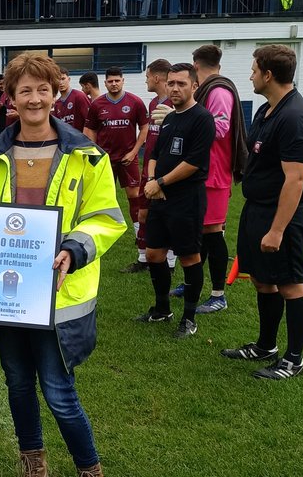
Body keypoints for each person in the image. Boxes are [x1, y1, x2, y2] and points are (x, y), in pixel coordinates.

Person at [0, 50, 125, 477]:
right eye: (23, 90)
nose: (33, 98)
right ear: (9, 98)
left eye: (42, 89)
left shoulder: (88, 158)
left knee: (58, 392)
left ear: (56, 94)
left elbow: (106, 218)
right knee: (16, 384)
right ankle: (35, 467)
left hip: (60, 296)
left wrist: (74, 249)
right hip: (5, 295)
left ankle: (92, 476)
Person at [221, 45, 303, 379]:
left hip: (281, 216)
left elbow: (296, 179)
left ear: (268, 74)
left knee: (291, 284)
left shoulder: (293, 116)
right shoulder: (267, 110)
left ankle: (294, 359)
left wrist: (277, 230)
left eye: (254, 69)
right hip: (256, 210)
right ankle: (265, 346)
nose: (250, 75)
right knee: (263, 281)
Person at [136, 63, 215, 338]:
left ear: (194, 86)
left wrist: (160, 182)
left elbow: (194, 162)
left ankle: (189, 318)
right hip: (160, 197)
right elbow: (154, 152)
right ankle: (162, 309)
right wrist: (151, 180)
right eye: (171, 83)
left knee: (189, 257)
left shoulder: (202, 118)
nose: (175, 88)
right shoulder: (169, 118)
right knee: (155, 254)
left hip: (186, 200)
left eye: (181, 83)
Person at [190, 45, 248, 313]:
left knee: (213, 232)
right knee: (201, 231)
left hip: (214, 174)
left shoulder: (219, 91)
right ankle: (193, 284)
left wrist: (187, 120)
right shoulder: (210, 88)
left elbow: (221, 128)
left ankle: (218, 294)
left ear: (195, 65)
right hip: (203, 171)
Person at [83, 67, 148, 265]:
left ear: (123, 81)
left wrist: (135, 151)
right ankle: (101, 235)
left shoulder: (135, 102)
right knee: (102, 198)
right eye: (110, 81)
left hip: (128, 159)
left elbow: (145, 127)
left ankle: (140, 236)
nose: (114, 84)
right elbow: (89, 129)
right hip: (105, 160)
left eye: (117, 80)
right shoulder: (97, 105)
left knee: (134, 197)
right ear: (105, 83)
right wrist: (96, 151)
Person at [126, 58, 172, 274]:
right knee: (143, 214)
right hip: (148, 169)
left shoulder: (175, 104)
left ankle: (169, 263)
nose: (146, 81)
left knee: (165, 217)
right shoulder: (154, 104)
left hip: (166, 172)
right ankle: (143, 258)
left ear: (156, 77)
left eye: (147, 77)